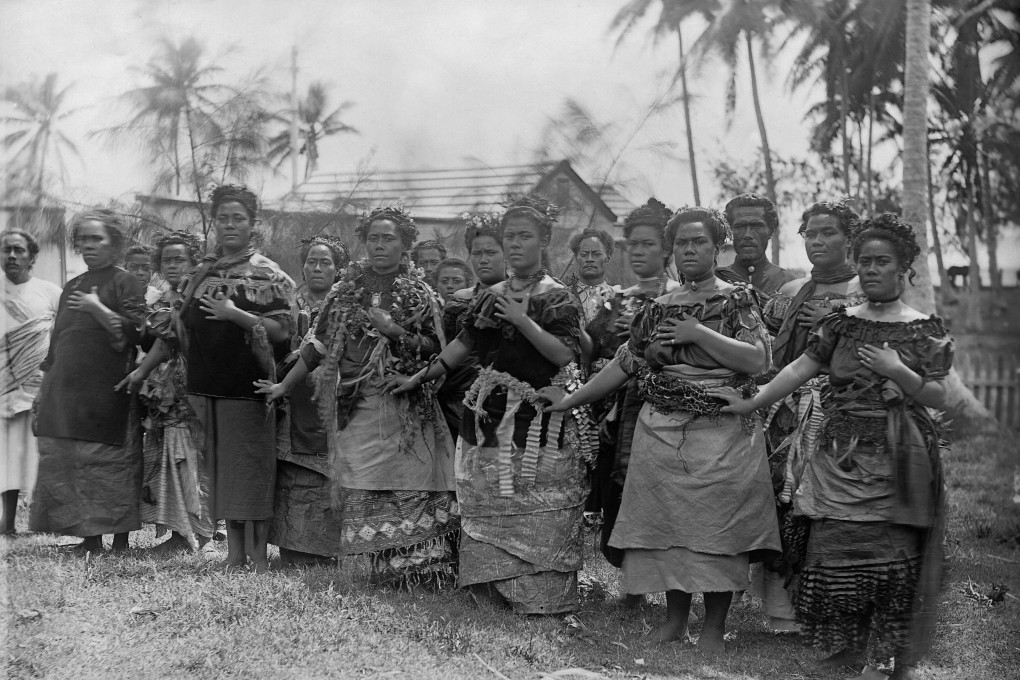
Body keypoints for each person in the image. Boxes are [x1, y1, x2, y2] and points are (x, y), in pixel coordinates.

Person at [710, 214, 952, 680]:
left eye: (883, 261)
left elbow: (939, 394)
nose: (874, 269)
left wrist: (896, 369)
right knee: (837, 551)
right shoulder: (840, 325)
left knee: (890, 558)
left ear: (904, 268)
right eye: (866, 262)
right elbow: (799, 368)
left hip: (898, 461)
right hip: (838, 457)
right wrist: (751, 403)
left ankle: (887, 661)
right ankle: (850, 649)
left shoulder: (923, 328)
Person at [539, 206, 779, 651]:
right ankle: (674, 622)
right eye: (683, 243)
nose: (690, 250)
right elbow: (624, 364)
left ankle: (713, 628)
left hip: (721, 430)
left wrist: (698, 334)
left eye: (699, 242)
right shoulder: (658, 307)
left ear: (717, 248)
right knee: (670, 527)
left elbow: (757, 360)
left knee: (717, 529)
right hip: (660, 429)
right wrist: (571, 400)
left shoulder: (735, 299)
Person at [392, 194, 594, 615]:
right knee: (486, 500)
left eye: (524, 237)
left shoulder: (558, 297)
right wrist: (421, 375)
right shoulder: (487, 296)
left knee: (538, 501)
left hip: (539, 416)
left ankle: (541, 600)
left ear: (544, 241)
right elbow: (463, 345)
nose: (515, 245)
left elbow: (564, 354)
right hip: (486, 413)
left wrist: (523, 321)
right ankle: (490, 593)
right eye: (510, 237)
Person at [258, 207, 457, 587]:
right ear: (364, 241)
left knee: (409, 481)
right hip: (357, 407)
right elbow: (317, 344)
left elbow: (435, 347)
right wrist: (284, 385)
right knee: (367, 483)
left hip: (405, 405)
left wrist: (394, 330)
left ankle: (418, 573)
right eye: (374, 238)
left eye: (389, 238)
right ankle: (381, 568)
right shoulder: (345, 289)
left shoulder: (420, 292)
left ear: (405, 244)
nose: (380, 245)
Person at [750, 199, 867, 632]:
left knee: (829, 507)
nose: (818, 241)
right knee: (785, 503)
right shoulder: (791, 292)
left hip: (839, 415)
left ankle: (832, 611)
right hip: (786, 414)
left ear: (849, 238)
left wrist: (843, 323)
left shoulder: (864, 289)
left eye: (828, 233)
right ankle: (782, 612)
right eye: (811, 234)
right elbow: (771, 353)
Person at [178, 185, 295, 571]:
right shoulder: (203, 272)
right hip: (207, 386)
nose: (230, 225)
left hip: (249, 388)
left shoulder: (267, 273)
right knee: (224, 474)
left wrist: (235, 314)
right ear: (214, 222)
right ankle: (233, 555)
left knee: (251, 472)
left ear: (252, 224)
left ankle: (258, 558)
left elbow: (283, 330)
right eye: (223, 218)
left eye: (238, 218)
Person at [30, 210, 147, 552]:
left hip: (109, 387)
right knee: (72, 460)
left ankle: (120, 541)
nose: (89, 245)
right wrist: (44, 388)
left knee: (111, 461)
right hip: (67, 388)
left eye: (98, 239)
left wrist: (98, 308)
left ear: (114, 244)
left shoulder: (125, 281)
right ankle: (90, 538)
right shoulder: (73, 285)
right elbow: (57, 341)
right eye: (84, 239)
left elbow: (139, 333)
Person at [583, 199, 681, 575]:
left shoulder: (677, 299)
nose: (638, 252)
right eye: (632, 245)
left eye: (648, 244)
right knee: (616, 494)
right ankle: (630, 582)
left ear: (666, 249)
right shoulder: (617, 300)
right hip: (615, 413)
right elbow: (590, 353)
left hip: (661, 411)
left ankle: (662, 578)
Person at [117, 231, 214, 552]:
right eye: (167, 260)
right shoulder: (157, 300)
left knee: (190, 457)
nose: (172, 265)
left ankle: (199, 534)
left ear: (193, 262)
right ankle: (178, 532)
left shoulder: (199, 297)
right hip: (163, 394)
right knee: (166, 456)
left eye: (180, 259)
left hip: (194, 390)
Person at [270, 235, 350, 566]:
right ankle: (290, 548)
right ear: (302, 268)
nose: (317, 268)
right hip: (291, 399)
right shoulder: (288, 304)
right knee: (291, 476)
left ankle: (327, 549)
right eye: (311, 262)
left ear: (338, 270)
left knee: (326, 476)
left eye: (325, 262)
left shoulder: (345, 307)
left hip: (332, 401)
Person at [1, 230, 61, 535]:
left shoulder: (50, 291)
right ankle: (7, 523)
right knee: (8, 454)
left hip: (42, 386)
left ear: (32, 256)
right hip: (4, 386)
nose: (12, 255)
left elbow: (65, 335)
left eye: (19, 250)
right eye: (6, 250)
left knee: (45, 453)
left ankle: (46, 522)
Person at [436, 212, 506, 440]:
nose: (483, 259)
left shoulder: (524, 296)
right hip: (456, 395)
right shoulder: (460, 299)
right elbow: (444, 345)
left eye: (491, 252)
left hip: (505, 394)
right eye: (477, 253)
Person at [717, 193, 796, 297]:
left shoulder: (790, 283)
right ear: (729, 231)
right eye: (740, 227)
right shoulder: (717, 279)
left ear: (771, 231)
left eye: (756, 226)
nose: (747, 235)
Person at [567, 228, 616, 326]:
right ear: (577, 258)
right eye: (584, 254)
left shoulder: (616, 297)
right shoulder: (564, 296)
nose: (589, 259)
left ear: (608, 258)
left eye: (596, 254)